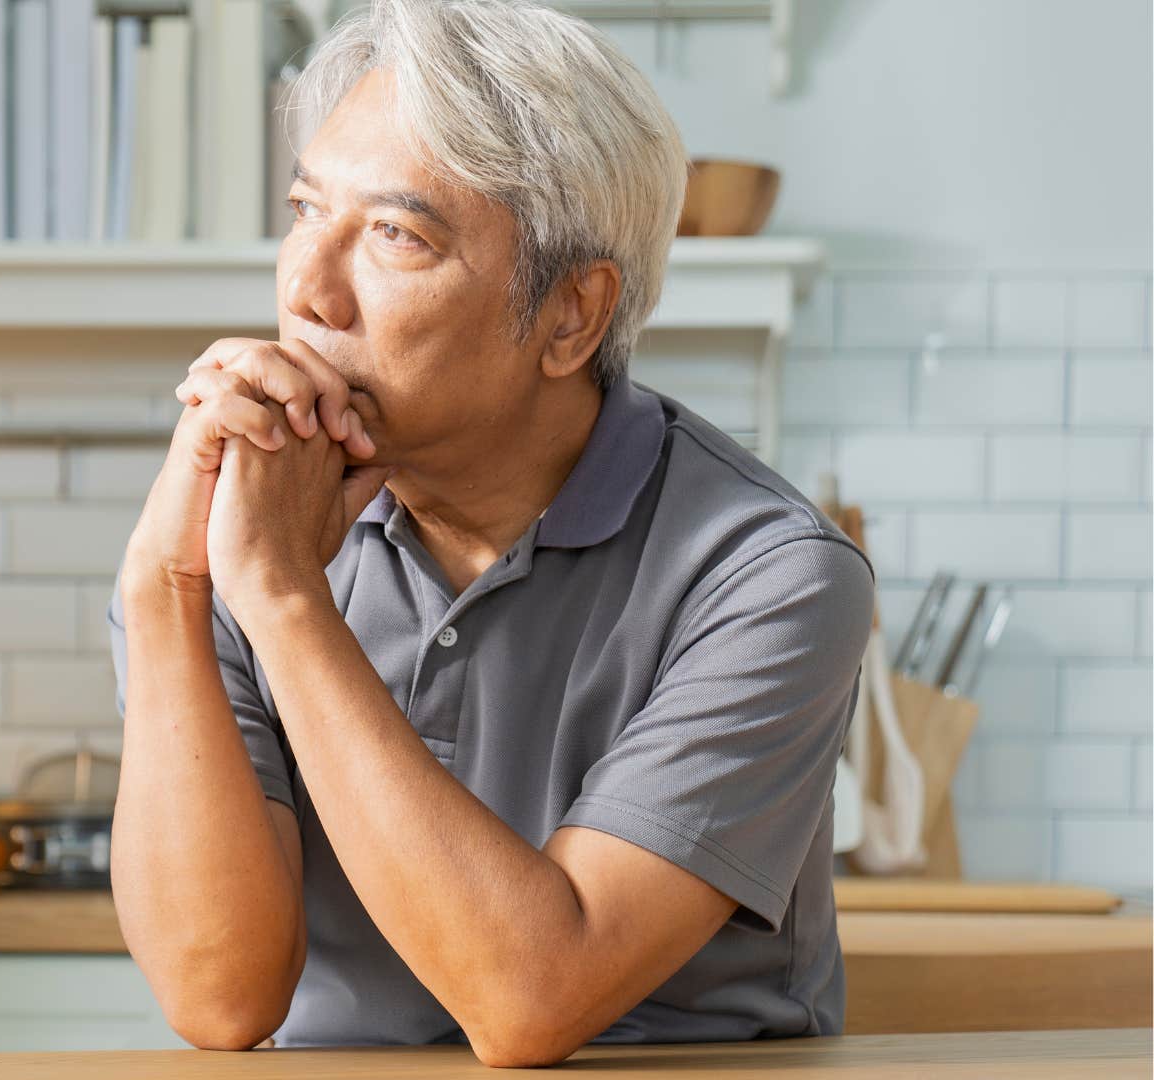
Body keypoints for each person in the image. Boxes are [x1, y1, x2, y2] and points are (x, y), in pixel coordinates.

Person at [106, 0, 875, 1068]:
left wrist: (281, 600)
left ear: (571, 316)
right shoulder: (244, 527)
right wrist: (170, 587)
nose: (304, 291)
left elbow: (531, 1001)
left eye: (395, 236)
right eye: (303, 211)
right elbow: (220, 996)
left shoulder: (769, 578)